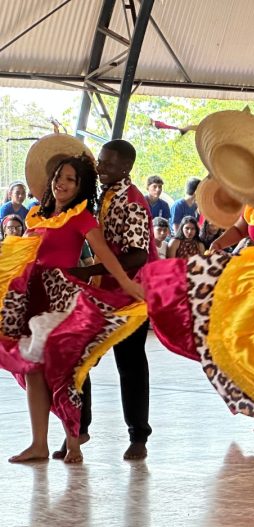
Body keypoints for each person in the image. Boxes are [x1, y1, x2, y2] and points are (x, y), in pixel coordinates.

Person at [2, 154, 144, 464]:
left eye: (70, 179)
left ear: (79, 187)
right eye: (58, 177)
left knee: (65, 372)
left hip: (62, 299)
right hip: (32, 296)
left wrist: (127, 284)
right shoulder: (34, 216)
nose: (61, 183)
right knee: (34, 371)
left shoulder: (81, 217)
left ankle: (74, 443)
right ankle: (38, 444)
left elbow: (104, 253)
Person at [67, 140, 155, 461]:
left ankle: (138, 436)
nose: (101, 168)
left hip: (131, 294)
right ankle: (80, 428)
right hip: (104, 291)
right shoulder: (105, 195)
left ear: (125, 168)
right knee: (81, 358)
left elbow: (137, 256)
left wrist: (89, 267)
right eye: (100, 162)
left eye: (107, 164)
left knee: (129, 365)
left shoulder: (132, 202)